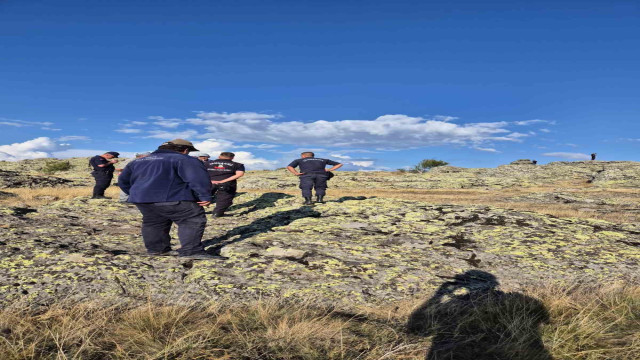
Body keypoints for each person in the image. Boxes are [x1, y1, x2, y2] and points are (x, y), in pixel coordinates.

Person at [119, 139, 222, 260]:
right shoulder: (185, 159)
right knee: (192, 219)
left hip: (142, 199)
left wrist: (134, 193)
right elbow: (197, 179)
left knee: (154, 222)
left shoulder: (138, 161)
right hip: (174, 197)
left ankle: (157, 250)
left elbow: (123, 181)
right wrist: (204, 196)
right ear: (185, 150)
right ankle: (191, 251)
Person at [205, 152, 245, 217]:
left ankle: (195, 212)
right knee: (224, 199)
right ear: (232, 158)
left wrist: (209, 180)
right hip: (227, 183)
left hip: (209, 182)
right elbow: (240, 174)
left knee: (200, 197)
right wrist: (223, 181)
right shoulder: (237, 165)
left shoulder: (207, 163)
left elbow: (199, 172)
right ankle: (217, 213)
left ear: (219, 156)